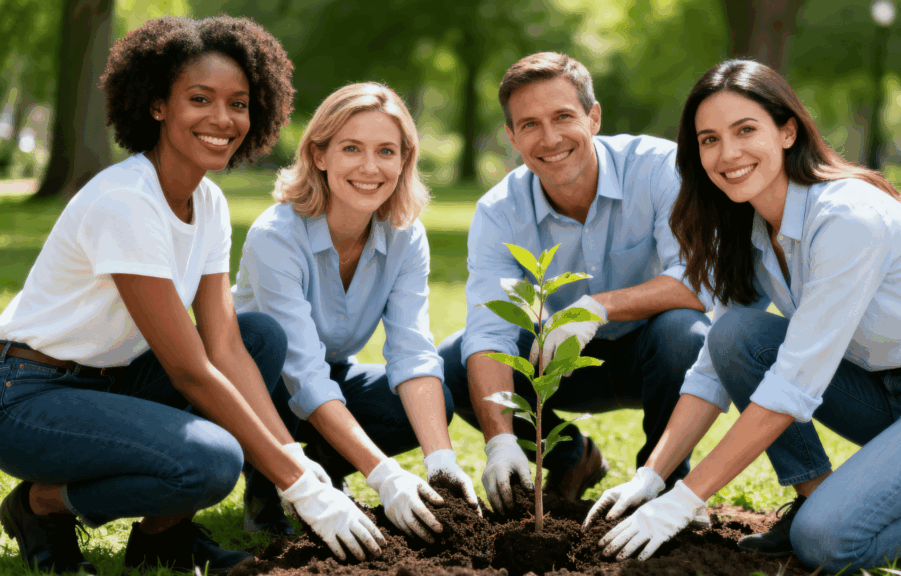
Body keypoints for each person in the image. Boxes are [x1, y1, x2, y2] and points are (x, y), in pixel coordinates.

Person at [585, 59, 901, 572]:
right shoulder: (750, 226)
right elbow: (715, 363)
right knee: (735, 335)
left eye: (745, 130)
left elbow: (793, 384)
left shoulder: (845, 217)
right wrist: (653, 475)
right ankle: (815, 497)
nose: (727, 154)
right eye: (709, 139)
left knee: (827, 544)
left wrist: (683, 500)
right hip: (883, 390)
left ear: (788, 130)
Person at [0, 16, 385, 575]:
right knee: (209, 463)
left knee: (259, 336)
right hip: (29, 396)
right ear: (157, 105)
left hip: (113, 381)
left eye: (239, 103)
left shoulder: (208, 204)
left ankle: (162, 538)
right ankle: (41, 504)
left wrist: (296, 460)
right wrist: (296, 484)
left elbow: (226, 346)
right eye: (199, 99)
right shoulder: (127, 200)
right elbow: (189, 370)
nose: (222, 119)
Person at [436, 52, 714, 515]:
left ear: (594, 116)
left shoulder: (660, 168)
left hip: (655, 354)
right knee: (456, 359)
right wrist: (500, 441)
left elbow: (699, 283)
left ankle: (662, 486)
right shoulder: (498, 211)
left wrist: (595, 307)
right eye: (529, 125)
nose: (550, 139)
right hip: (561, 364)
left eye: (564, 117)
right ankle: (570, 458)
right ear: (511, 135)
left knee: (684, 332)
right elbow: (490, 329)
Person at [233, 81, 478, 543]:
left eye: (387, 151)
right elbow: (300, 373)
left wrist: (442, 463)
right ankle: (269, 482)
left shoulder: (405, 236)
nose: (370, 167)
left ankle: (330, 464)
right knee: (268, 354)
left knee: (431, 403)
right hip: (257, 387)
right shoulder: (276, 236)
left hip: (330, 375)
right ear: (319, 155)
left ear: (404, 160)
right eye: (351, 148)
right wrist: (384, 475)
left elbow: (411, 350)